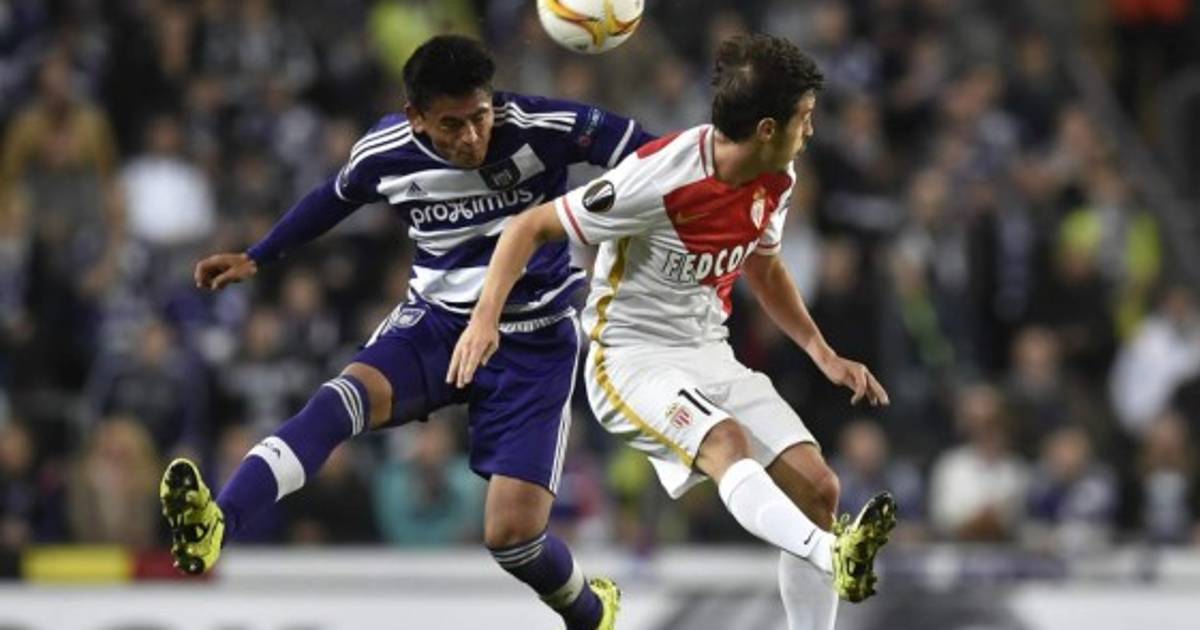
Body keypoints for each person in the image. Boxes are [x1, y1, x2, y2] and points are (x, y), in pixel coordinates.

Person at [159, 34, 653, 630]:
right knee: (341, 399)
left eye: (479, 116)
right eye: (451, 125)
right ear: (415, 116)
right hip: (437, 323)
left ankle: (592, 613)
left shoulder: (544, 126)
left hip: (535, 338)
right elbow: (333, 197)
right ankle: (218, 522)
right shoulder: (385, 151)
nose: (471, 137)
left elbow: (650, 152)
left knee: (513, 540)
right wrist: (258, 255)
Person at [449, 33, 896, 627]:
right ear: (767, 128)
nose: (810, 131)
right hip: (629, 358)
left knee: (819, 490)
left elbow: (763, 265)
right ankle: (830, 552)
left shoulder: (778, 175)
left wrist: (821, 351)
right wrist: (484, 319)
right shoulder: (658, 178)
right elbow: (527, 227)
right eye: (804, 118)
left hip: (708, 351)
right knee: (726, 443)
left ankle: (824, 561)